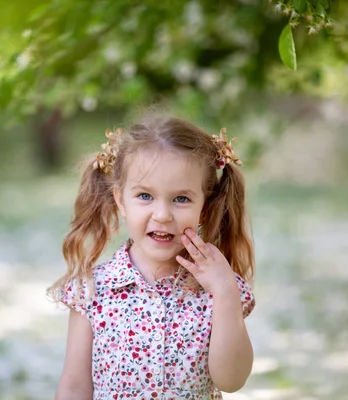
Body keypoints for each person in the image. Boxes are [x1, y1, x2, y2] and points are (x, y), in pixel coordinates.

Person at [49, 115, 256, 400]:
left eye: (181, 199)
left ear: (204, 208)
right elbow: (74, 387)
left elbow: (232, 380)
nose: (162, 215)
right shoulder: (94, 290)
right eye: (145, 196)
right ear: (121, 201)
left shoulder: (218, 289)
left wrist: (224, 293)